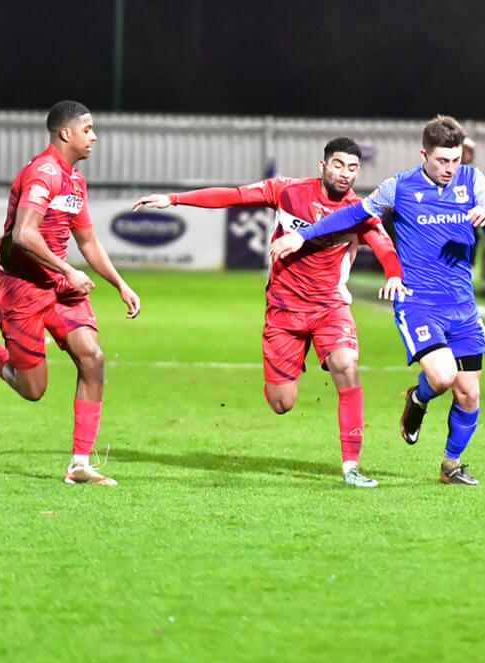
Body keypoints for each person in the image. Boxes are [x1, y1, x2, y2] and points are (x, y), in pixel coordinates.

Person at [132, 137, 403, 488]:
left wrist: (394, 275)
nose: (345, 174)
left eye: (352, 168)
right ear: (323, 166)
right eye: (338, 165)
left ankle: (351, 466)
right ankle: (288, 370)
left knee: (347, 365)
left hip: (329, 308)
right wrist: (175, 199)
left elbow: (384, 246)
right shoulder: (288, 192)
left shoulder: (358, 211)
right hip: (283, 310)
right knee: (281, 402)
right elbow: (234, 195)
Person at [270, 116, 485, 486]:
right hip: (418, 302)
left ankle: (451, 466)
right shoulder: (398, 187)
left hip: (462, 304)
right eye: (442, 160)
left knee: (469, 393)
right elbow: (353, 213)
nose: (450, 168)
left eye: (455, 160)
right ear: (424, 154)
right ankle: (421, 394)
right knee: (443, 376)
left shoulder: (473, 181)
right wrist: (305, 237)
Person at [0, 100, 141, 486]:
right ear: (66, 133)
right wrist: (67, 269)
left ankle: (79, 464)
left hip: (57, 287)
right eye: (88, 129)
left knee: (92, 358)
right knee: (33, 389)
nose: (94, 136)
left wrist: (120, 285)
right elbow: (22, 235)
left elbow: (89, 243)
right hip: (20, 289)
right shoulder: (44, 172)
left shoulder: (75, 181)